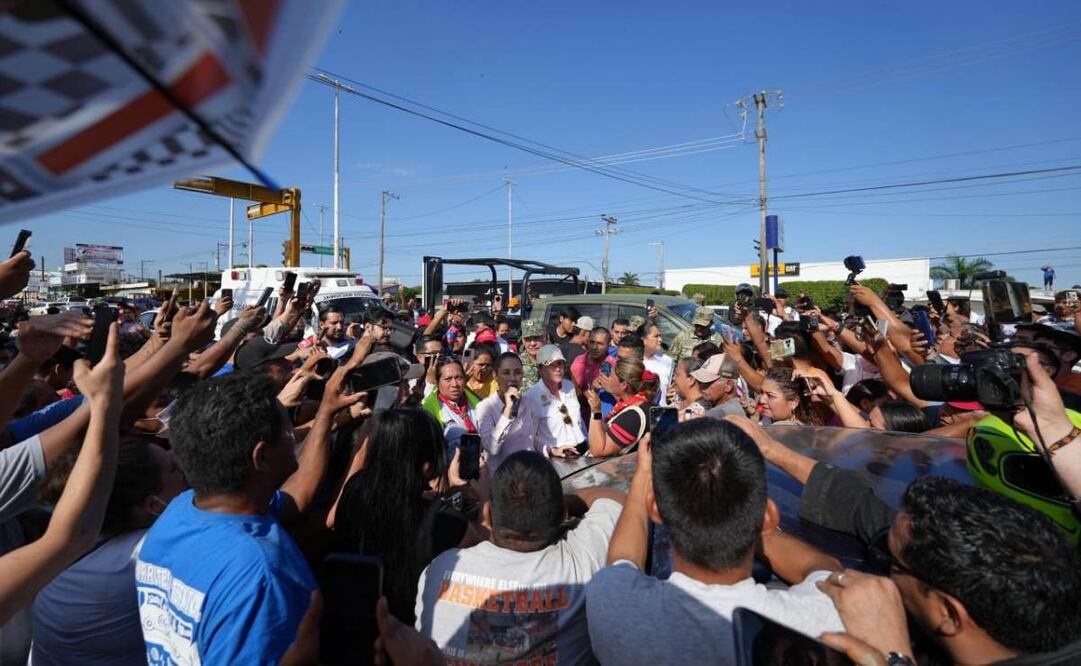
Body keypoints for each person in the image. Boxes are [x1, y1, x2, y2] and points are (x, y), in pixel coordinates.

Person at [136, 363, 363, 664]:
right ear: (263, 456)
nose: (293, 436)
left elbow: (297, 499)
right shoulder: (260, 573)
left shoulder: (184, 509)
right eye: (286, 430)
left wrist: (325, 414)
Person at [586, 419, 844, 664]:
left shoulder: (611, 604)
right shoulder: (825, 620)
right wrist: (746, 520)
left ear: (655, 509)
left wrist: (643, 476)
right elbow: (825, 567)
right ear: (768, 517)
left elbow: (623, 559)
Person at [415, 450, 625, 664]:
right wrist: (547, 505)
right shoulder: (583, 561)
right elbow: (614, 498)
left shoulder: (440, 569)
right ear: (563, 515)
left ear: (487, 513)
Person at [32, 439, 186, 666]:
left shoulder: (71, 537)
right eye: (174, 468)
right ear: (153, 505)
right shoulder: (141, 553)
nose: (183, 468)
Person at [334, 409, 469, 625]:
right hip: (409, 634)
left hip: (354, 626)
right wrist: (485, 496)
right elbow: (488, 556)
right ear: (428, 465)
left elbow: (402, 496)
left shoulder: (356, 488)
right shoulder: (446, 522)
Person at [475, 352, 542, 471]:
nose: (512, 378)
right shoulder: (485, 407)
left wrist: (552, 450)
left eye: (517, 372)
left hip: (528, 473)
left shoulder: (529, 404)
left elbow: (531, 440)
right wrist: (507, 411)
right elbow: (492, 448)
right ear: (495, 375)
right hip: (502, 479)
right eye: (506, 373)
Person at [584, 357, 656, 457]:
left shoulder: (633, 416)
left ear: (623, 384)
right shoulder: (634, 404)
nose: (608, 378)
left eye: (612, 376)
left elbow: (599, 451)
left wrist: (596, 411)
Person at [522, 345, 583, 458]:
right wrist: (552, 450)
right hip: (555, 456)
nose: (558, 369)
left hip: (580, 450)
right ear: (541, 369)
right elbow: (530, 436)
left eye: (560, 363)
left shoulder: (569, 386)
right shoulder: (530, 397)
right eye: (551, 365)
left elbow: (579, 422)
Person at [421, 357, 481, 433]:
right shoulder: (428, 409)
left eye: (458, 378)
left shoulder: (477, 402)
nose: (454, 384)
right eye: (448, 379)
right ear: (437, 382)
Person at [569, 325, 613, 392]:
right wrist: (592, 389)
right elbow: (575, 394)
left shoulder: (613, 364)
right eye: (592, 342)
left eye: (600, 343)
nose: (594, 347)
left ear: (608, 346)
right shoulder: (579, 363)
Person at [642, 323, 674, 406]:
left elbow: (670, 388)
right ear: (644, 340)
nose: (660, 339)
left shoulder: (667, 361)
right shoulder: (636, 361)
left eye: (660, 336)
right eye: (656, 336)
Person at [517, 318, 546, 390]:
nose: (532, 343)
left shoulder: (555, 362)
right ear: (523, 341)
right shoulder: (516, 364)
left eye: (536, 338)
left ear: (545, 338)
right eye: (528, 339)